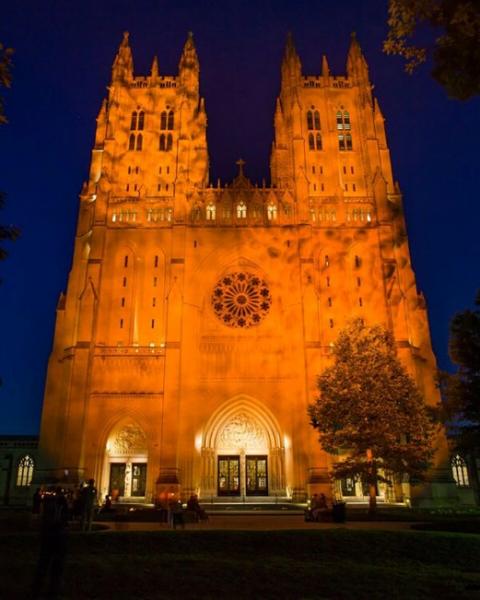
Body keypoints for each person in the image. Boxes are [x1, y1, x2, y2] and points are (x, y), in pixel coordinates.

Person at [32, 486, 69, 599]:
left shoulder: (49, 505)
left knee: (45, 563)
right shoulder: (60, 504)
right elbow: (65, 519)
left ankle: (40, 587)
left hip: (50, 537)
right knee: (54, 565)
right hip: (57, 538)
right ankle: (51, 588)